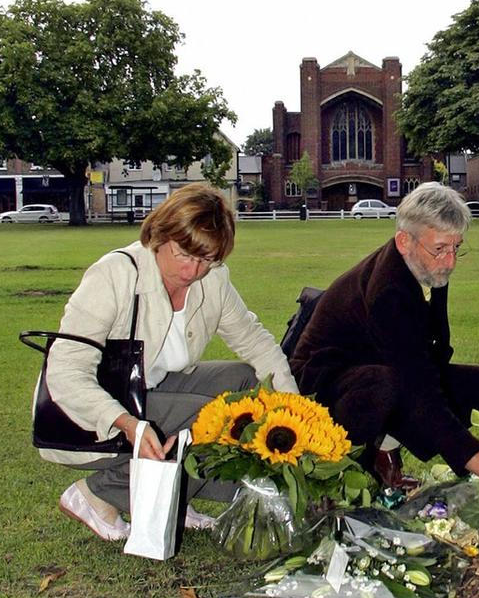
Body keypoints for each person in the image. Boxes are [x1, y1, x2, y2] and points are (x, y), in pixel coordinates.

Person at [43, 183, 297, 541]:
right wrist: (128, 423)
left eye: (207, 259)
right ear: (160, 235)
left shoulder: (214, 282)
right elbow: (65, 372)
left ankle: (178, 495)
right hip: (96, 414)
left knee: (246, 382)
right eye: (184, 254)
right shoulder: (114, 275)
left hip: (155, 392)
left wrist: (296, 411)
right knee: (211, 414)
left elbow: (256, 343)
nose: (193, 271)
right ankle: (97, 494)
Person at [290, 182, 479, 486]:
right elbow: (417, 386)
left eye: (456, 247)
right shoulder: (389, 291)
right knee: (389, 386)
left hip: (380, 366)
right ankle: (349, 472)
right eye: (441, 248)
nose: (451, 260)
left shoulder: (427, 265)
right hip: (324, 385)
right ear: (404, 241)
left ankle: (387, 444)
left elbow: (434, 352)